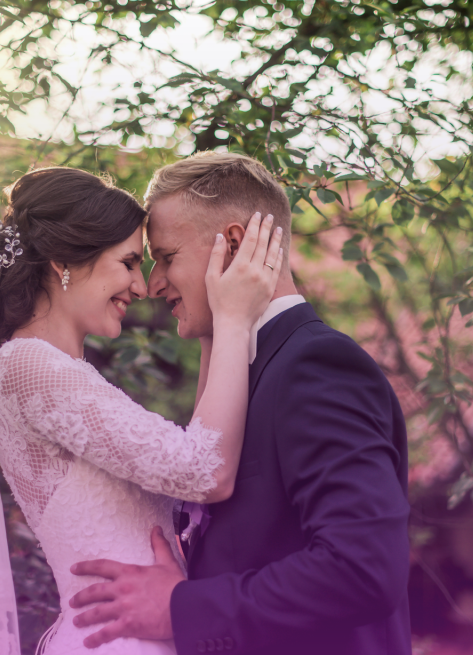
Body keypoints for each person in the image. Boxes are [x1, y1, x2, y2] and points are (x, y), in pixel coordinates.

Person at [0, 166, 283, 655]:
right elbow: (204, 470)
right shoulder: (27, 366)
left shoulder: (63, 372)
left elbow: (197, 451)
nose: (141, 285)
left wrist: (215, 321)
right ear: (64, 262)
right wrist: (235, 318)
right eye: (128, 262)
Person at [68, 153, 412, 655]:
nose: (153, 283)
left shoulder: (316, 365)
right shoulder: (243, 371)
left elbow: (363, 569)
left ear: (232, 244)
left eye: (166, 256)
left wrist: (182, 607)